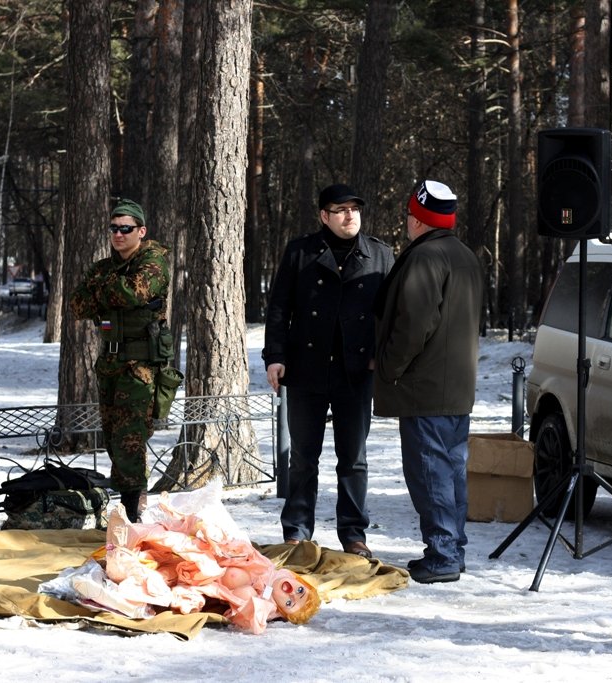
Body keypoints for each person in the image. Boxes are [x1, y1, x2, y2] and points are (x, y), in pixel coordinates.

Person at [262, 183, 395, 558]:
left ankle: (354, 535)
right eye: (340, 210)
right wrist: (275, 356)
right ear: (324, 216)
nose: (349, 215)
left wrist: (378, 355)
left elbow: (393, 314)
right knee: (304, 456)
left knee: (353, 458)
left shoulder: (380, 255)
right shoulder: (301, 252)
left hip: (356, 371)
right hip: (306, 369)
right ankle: (297, 532)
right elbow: (278, 308)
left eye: (354, 208)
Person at [372, 179, 483, 584]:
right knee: (451, 472)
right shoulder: (464, 255)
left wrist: (389, 367)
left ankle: (442, 555)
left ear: (418, 218)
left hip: (424, 386)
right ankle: (453, 548)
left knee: (430, 472)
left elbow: (414, 325)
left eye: (408, 215)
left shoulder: (424, 258)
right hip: (455, 386)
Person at [67, 483, 322, 635]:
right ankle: (125, 541)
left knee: (161, 586)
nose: (290, 592)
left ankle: (114, 577)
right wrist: (210, 534)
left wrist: (265, 603)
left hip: (197, 582)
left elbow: (250, 620)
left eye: (290, 601)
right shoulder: (268, 567)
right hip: (204, 554)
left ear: (281, 611)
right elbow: (237, 548)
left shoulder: (264, 605)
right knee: (171, 543)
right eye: (300, 590)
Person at [70, 199, 171, 523]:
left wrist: (102, 290)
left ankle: (134, 507)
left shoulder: (153, 260)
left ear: (140, 231)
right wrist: (111, 289)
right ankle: (129, 504)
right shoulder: (103, 268)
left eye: (125, 229)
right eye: (113, 228)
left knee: (131, 438)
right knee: (114, 438)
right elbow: (77, 305)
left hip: (140, 368)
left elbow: (136, 291)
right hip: (111, 364)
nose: (118, 234)